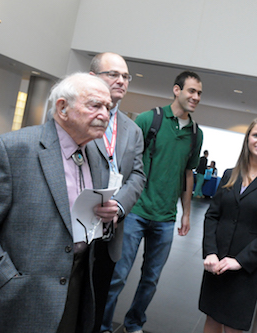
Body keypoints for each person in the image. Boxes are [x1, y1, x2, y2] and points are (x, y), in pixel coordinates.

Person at [0, 72, 119, 333]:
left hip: (77, 288)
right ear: (62, 108)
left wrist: (106, 219)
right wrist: (7, 281)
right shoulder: (13, 149)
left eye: (108, 107)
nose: (105, 114)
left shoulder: (96, 153)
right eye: (95, 105)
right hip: (20, 296)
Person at [101, 71, 204, 333]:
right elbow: (127, 161)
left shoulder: (195, 133)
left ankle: (134, 323)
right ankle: (101, 326)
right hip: (135, 211)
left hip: (166, 217)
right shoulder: (150, 119)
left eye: (199, 93)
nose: (196, 97)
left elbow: (188, 173)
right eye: (191, 91)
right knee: (118, 276)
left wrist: (186, 213)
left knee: (151, 279)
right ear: (176, 90)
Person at [199, 117, 257, 332]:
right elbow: (212, 216)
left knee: (233, 325)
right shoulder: (230, 175)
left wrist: (240, 261)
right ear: (248, 139)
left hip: (244, 269)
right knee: (211, 319)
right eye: (256, 135)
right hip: (217, 262)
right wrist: (210, 252)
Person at [88, 52, 147, 332]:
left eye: (126, 76)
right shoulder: (75, 116)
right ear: (93, 78)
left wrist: (119, 206)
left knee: (97, 303)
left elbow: (137, 174)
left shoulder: (132, 130)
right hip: (75, 225)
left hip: (110, 231)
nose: (121, 80)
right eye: (114, 74)